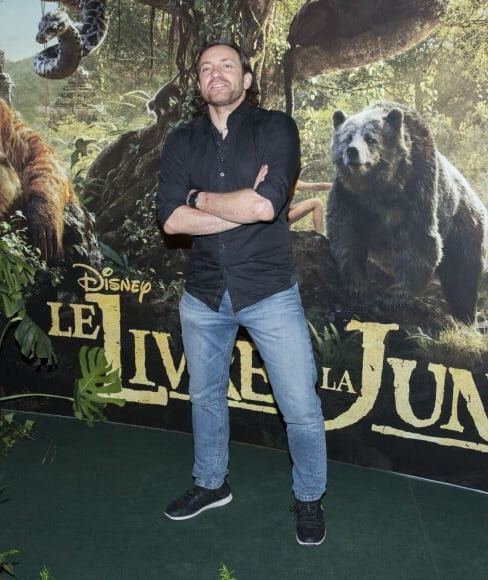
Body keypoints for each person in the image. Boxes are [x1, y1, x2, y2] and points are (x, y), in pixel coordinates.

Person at [155, 40, 327, 547]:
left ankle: (310, 497)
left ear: (247, 79)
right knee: (206, 398)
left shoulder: (276, 128)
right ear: (199, 82)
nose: (216, 73)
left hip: (269, 290)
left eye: (227, 65)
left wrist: (196, 197)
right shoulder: (181, 142)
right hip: (203, 294)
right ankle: (210, 484)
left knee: (298, 404)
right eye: (206, 67)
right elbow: (170, 218)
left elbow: (265, 208)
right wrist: (232, 203)